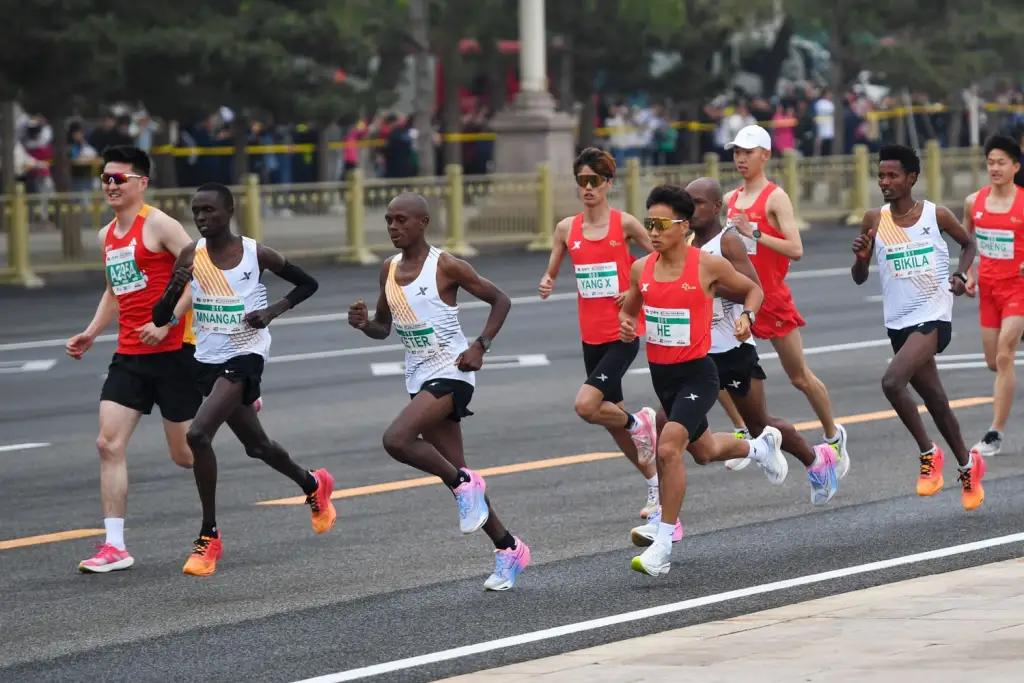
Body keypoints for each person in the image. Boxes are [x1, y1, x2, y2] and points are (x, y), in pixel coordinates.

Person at [348, 192, 531, 591]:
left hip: (452, 372)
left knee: (396, 440)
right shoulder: (388, 269)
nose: (393, 227)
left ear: (423, 223)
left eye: (402, 220)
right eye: (389, 220)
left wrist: (480, 346)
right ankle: (509, 547)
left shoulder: (445, 265)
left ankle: (464, 483)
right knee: (457, 472)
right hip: (418, 377)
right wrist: (364, 324)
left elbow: (501, 300)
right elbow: (383, 327)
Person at [151, 183, 333, 576]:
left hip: (246, 355)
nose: (202, 217)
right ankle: (313, 484)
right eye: (196, 211)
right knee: (258, 445)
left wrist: (271, 312)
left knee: (198, 434)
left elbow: (307, 284)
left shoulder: (255, 253)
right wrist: (174, 289)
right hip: (207, 360)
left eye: (209, 210)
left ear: (229, 211)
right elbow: (160, 317)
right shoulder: (190, 255)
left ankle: (209, 535)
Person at [621, 185, 786, 577]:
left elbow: (752, 289)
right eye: (649, 224)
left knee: (668, 447)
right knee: (706, 451)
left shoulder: (706, 266)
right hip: (663, 378)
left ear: (683, 226)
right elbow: (630, 310)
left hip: (699, 374)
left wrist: (746, 316)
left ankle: (662, 545)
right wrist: (627, 325)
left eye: (662, 225)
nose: (653, 232)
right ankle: (759, 448)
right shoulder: (641, 269)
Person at [66, 145, 200, 573]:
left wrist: (167, 321)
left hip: (174, 353)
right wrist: (91, 332)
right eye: (105, 178)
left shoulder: (160, 225)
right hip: (130, 355)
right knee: (108, 444)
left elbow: (200, 275)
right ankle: (115, 546)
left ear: (141, 183)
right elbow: (114, 292)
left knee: (186, 456)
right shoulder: (106, 235)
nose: (110, 185)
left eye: (118, 179)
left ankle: (234, 403)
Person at [685, 177, 841, 504]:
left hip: (734, 351)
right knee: (672, 421)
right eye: (688, 203)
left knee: (760, 425)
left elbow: (752, 289)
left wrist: (722, 296)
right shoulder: (686, 244)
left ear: (716, 207)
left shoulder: (727, 242)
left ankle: (817, 459)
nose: (691, 209)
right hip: (700, 353)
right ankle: (661, 505)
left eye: (699, 203)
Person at [851, 144, 984, 511]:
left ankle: (929, 454)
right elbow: (859, 277)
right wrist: (860, 258)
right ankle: (968, 465)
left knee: (892, 382)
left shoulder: (935, 214)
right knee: (936, 400)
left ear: (911, 178)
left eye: (892, 175)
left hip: (934, 315)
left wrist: (960, 275)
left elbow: (968, 244)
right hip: (899, 322)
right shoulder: (874, 219)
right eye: (880, 175)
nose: (884, 181)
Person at [538, 147, 661, 520]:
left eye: (595, 181)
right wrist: (547, 280)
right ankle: (655, 486)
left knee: (587, 406)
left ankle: (640, 421)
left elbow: (660, 258)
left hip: (623, 331)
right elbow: (553, 268)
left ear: (608, 183)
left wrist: (634, 289)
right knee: (614, 423)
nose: (588, 188)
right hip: (589, 338)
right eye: (582, 181)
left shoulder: (624, 224)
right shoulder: (566, 228)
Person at [723, 124, 850, 475]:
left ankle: (833, 435)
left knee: (799, 377)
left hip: (772, 299)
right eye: (736, 152)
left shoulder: (774, 198)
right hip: (739, 298)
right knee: (716, 368)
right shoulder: (729, 199)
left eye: (748, 152)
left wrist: (754, 232)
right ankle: (743, 433)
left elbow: (796, 249)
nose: (740, 159)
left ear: (765, 155)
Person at [963, 135, 1024, 456]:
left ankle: (994, 433)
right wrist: (968, 274)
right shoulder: (974, 202)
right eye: (990, 162)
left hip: (1018, 288)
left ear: (1016, 166)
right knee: (993, 362)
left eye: (1001, 162)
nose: (995, 168)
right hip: (988, 290)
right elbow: (966, 242)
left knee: (1004, 356)